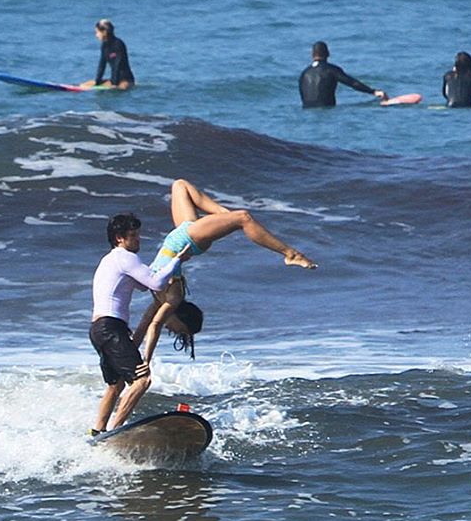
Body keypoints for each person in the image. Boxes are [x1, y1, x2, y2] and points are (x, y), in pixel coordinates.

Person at [134, 178, 317, 368]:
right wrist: (140, 358)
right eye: (178, 330)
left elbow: (145, 326)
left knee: (182, 186)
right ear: (182, 318)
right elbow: (152, 326)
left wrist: (136, 357)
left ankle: (229, 220)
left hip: (184, 234)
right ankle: (289, 253)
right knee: (242, 217)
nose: (169, 328)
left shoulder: (163, 300)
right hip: (190, 238)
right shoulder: (173, 297)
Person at [89, 213, 189, 435]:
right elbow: (154, 282)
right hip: (110, 327)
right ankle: (116, 432)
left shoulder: (110, 259)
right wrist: (177, 260)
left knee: (116, 385)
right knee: (142, 379)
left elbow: (145, 285)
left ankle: (97, 431)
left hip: (99, 329)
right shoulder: (124, 256)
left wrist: (167, 272)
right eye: (133, 236)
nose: (138, 240)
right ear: (119, 239)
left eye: (138, 235)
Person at [299, 41, 387, 107]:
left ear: (312, 55)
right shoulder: (331, 70)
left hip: (306, 110)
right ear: (328, 53)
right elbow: (352, 83)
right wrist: (373, 92)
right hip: (326, 111)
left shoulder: (304, 73)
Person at [79, 19, 135, 91]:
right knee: (85, 84)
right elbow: (102, 65)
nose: (96, 35)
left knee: (121, 87)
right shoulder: (104, 46)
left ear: (104, 32)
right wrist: (97, 82)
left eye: (97, 32)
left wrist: (114, 84)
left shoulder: (118, 44)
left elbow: (116, 65)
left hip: (126, 80)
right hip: (114, 79)